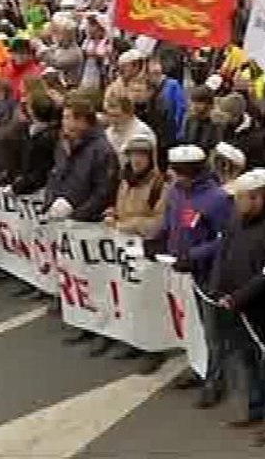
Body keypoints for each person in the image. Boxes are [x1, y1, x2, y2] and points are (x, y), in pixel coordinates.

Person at [210, 168, 265, 445]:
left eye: (241, 198)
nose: (236, 203)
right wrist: (218, 288)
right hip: (236, 304)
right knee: (247, 359)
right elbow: (224, 253)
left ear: (258, 198)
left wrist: (238, 299)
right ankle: (255, 407)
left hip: (264, 309)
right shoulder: (238, 217)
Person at [162, 144, 233, 407]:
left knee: (214, 331)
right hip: (184, 270)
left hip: (209, 275)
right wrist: (158, 242)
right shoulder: (175, 193)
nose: (177, 176)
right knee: (195, 327)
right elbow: (170, 223)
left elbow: (225, 240)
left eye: (182, 171)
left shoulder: (217, 198)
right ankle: (199, 366)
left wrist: (194, 255)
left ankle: (216, 380)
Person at [49, 94, 121, 353]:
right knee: (78, 276)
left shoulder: (102, 150)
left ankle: (106, 330)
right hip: (70, 223)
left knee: (99, 279)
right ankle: (85, 322)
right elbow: (57, 174)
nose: (64, 122)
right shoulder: (66, 144)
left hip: (90, 224)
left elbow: (104, 190)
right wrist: (53, 200)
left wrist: (78, 213)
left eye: (68, 117)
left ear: (83, 121)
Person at [106, 136, 169, 369]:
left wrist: (127, 225)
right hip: (126, 247)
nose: (137, 160)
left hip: (146, 248)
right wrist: (112, 213)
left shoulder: (159, 184)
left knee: (150, 300)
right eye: (133, 155)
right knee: (128, 297)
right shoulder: (125, 180)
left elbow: (159, 223)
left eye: (141, 155)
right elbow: (118, 204)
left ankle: (154, 349)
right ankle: (134, 339)